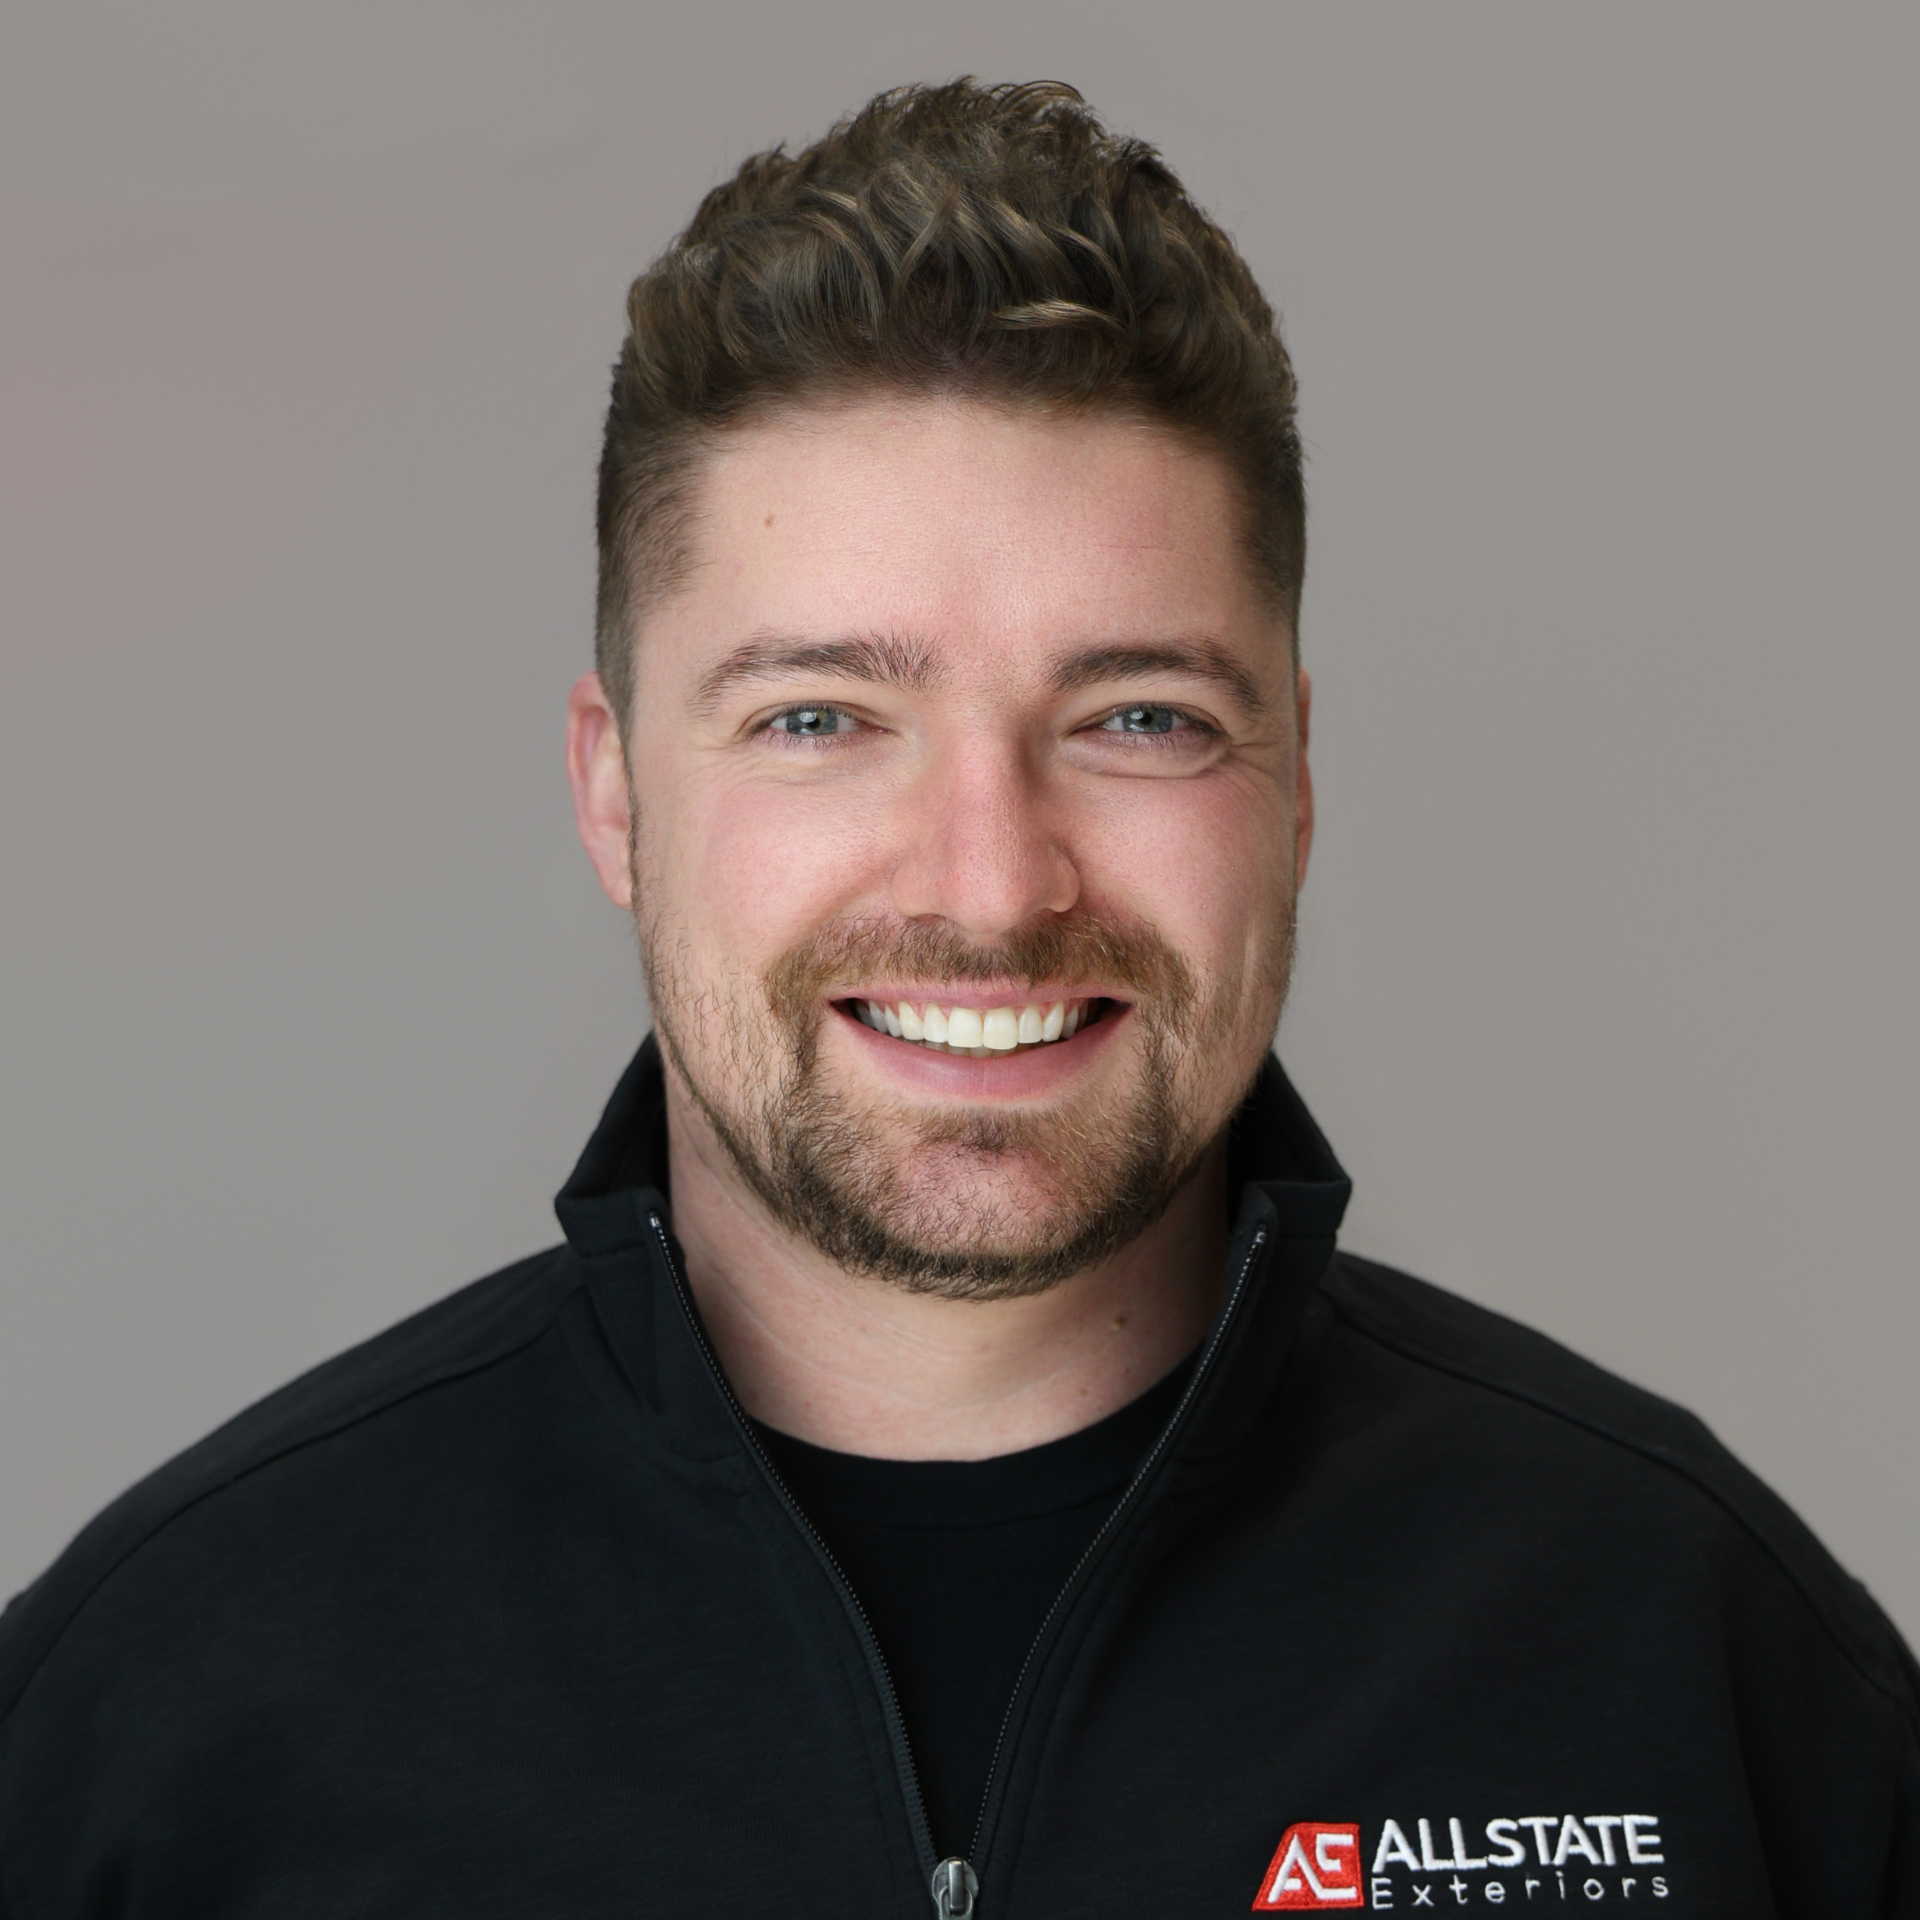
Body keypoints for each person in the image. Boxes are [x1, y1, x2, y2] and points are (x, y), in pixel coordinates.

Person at [1, 77, 1914, 1920]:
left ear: (1299, 786)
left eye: (1138, 718)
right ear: (615, 792)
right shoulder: (157, 1709)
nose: (992, 883)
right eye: (821, 719)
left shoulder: (1692, 1643)